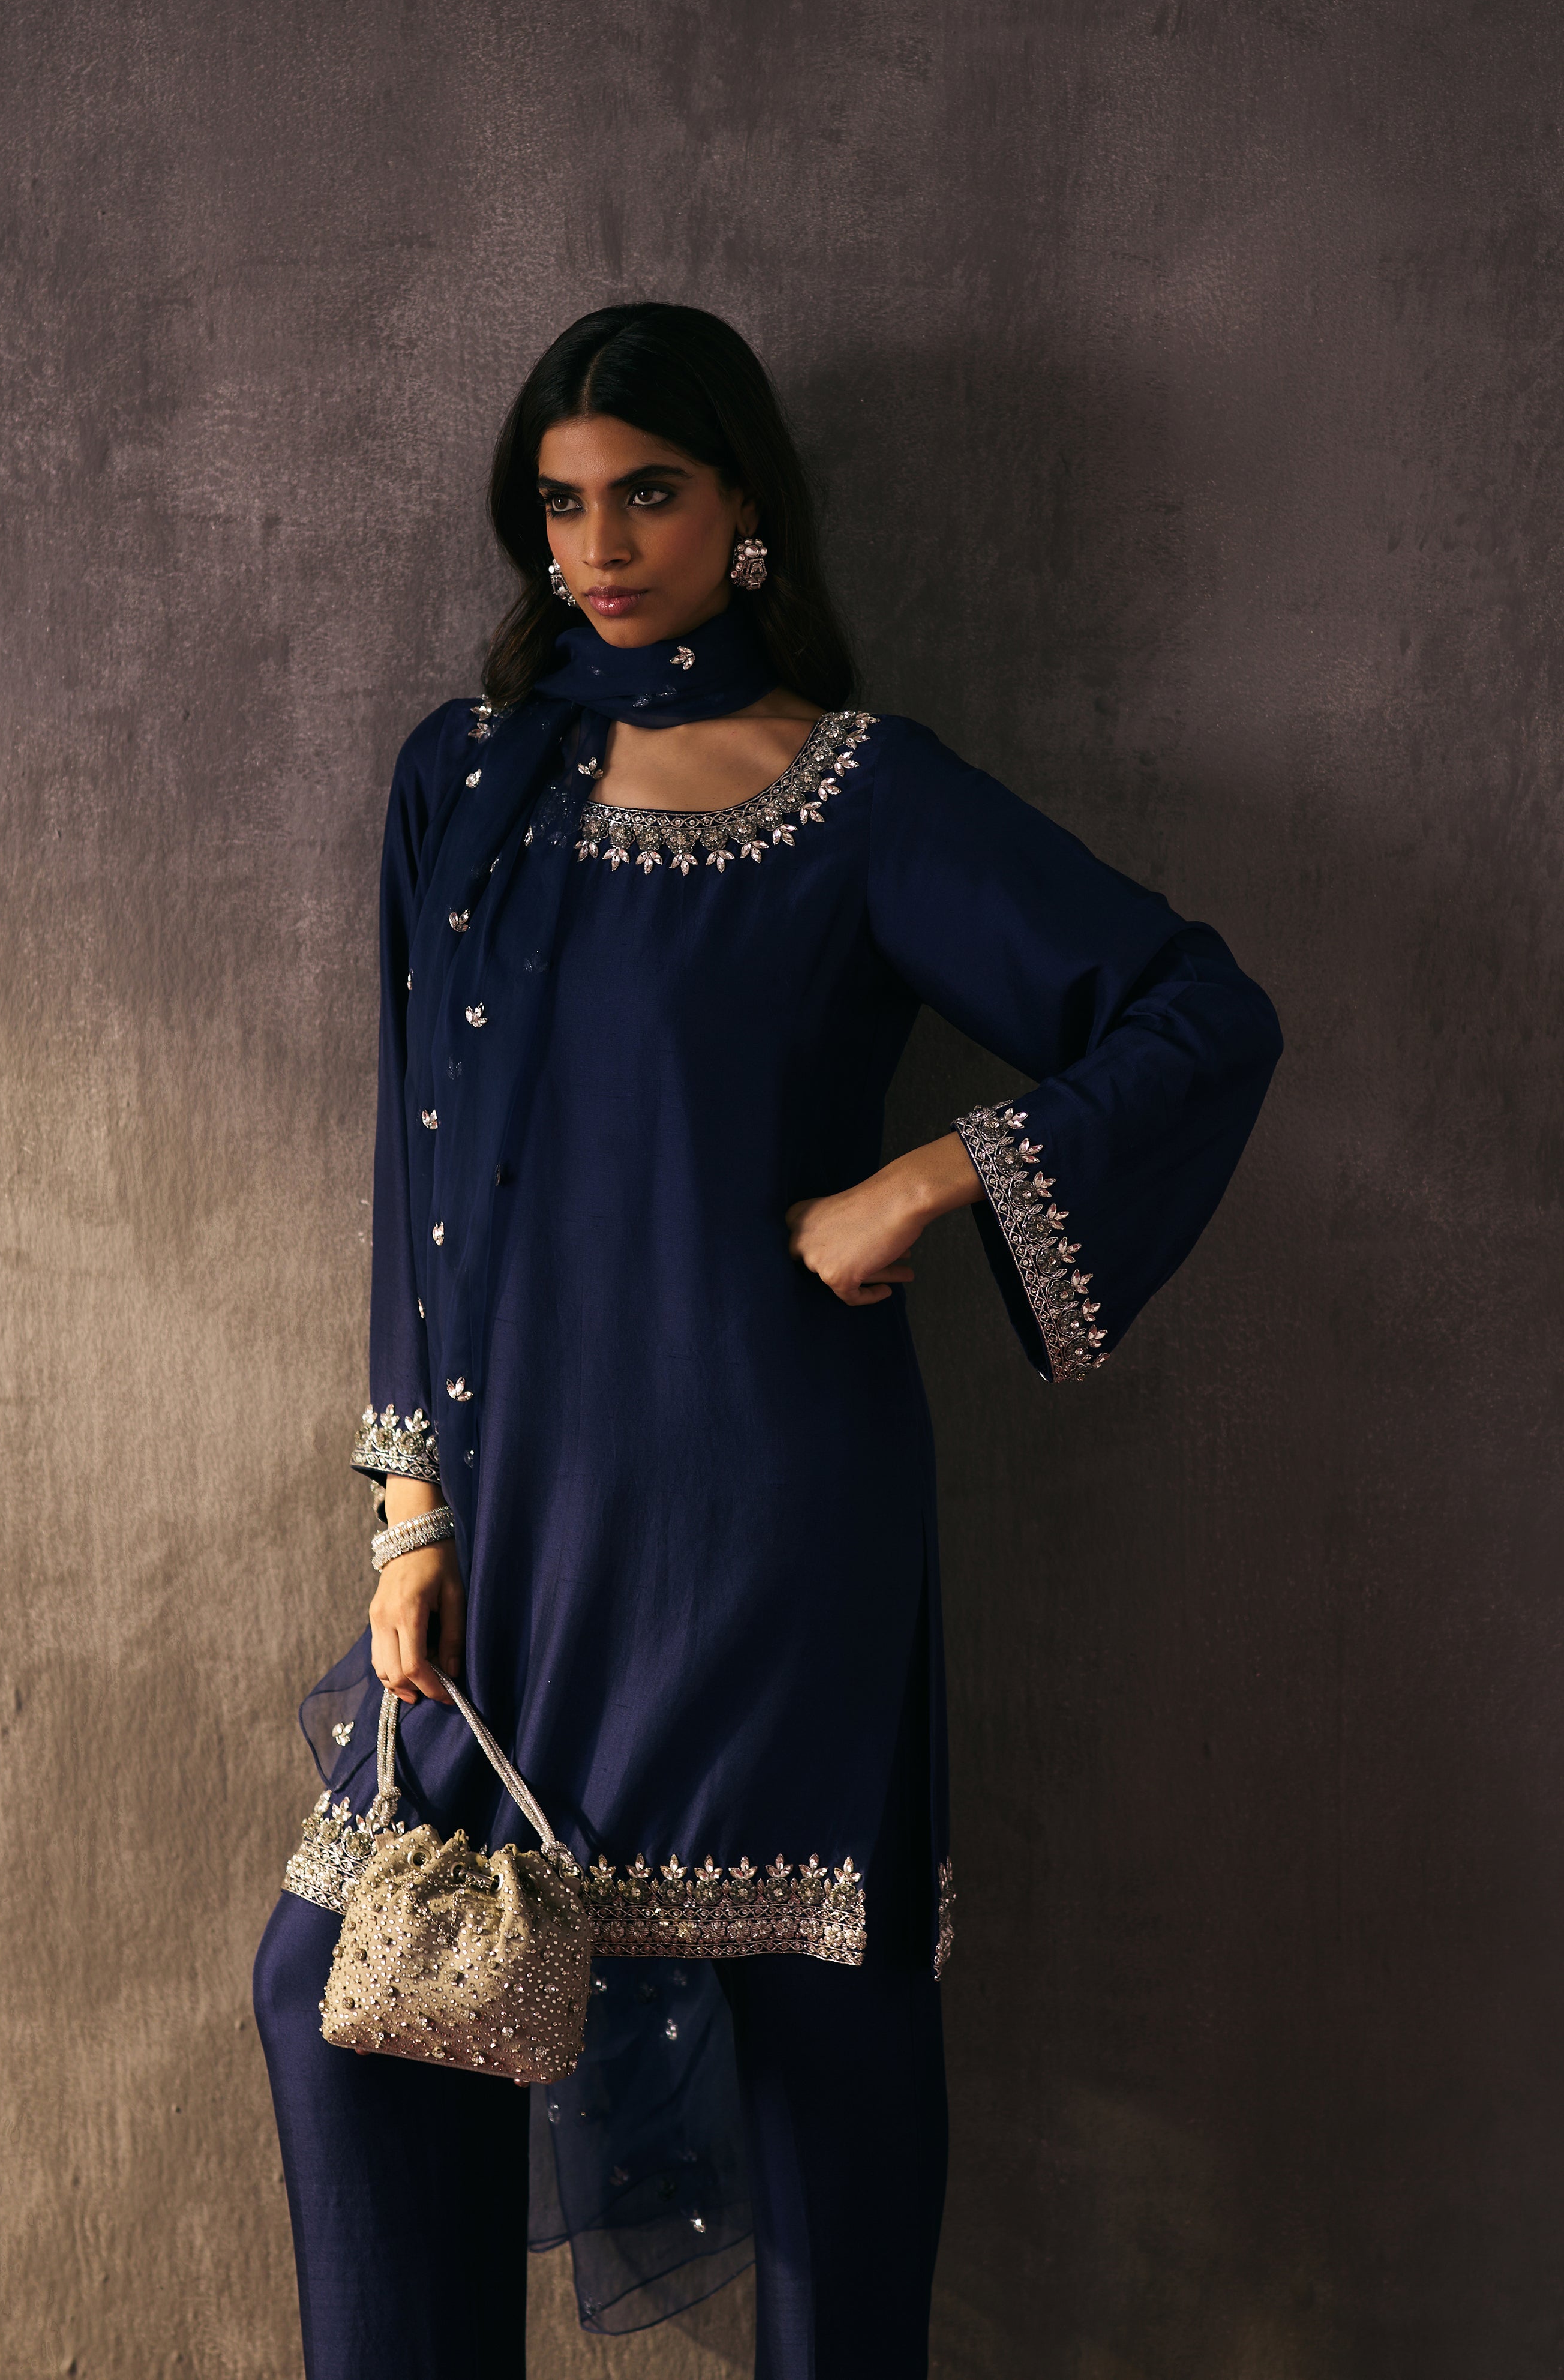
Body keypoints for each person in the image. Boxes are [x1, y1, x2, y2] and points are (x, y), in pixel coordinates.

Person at [252, 303, 1281, 2379]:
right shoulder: (467, 781)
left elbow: (1197, 1012)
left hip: (770, 1527)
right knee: (338, 2003)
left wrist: (929, 1178)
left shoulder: (861, 796)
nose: (600, 546)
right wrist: (407, 1514)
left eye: (646, 492)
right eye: (562, 505)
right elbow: (414, 1163)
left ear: (745, 509)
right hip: (519, 1535)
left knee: (828, 2053)